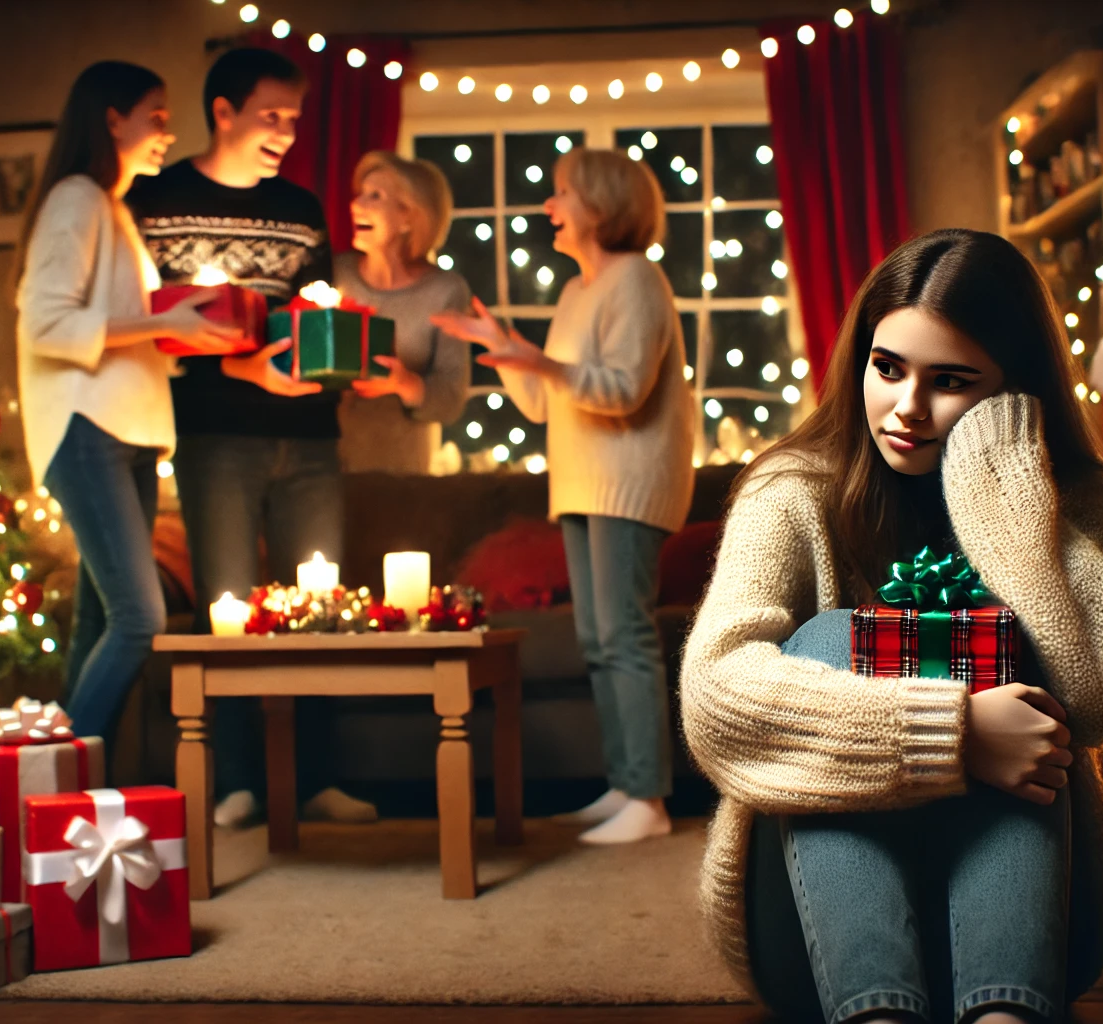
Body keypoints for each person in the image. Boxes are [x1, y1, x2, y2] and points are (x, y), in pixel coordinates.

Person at [679, 229, 1103, 1024]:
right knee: (831, 637)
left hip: (1031, 933)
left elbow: (1097, 699)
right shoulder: (793, 489)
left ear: (1015, 390)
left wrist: (1006, 499)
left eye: (950, 381)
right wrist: (955, 734)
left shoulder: (1073, 504)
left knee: (1010, 652)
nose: (907, 408)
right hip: (816, 939)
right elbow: (714, 697)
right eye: (888, 368)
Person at [126, 47, 374, 828]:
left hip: (308, 438)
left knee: (320, 609)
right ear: (223, 112)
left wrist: (332, 361)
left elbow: (315, 315)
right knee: (225, 612)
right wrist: (241, 376)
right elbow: (145, 332)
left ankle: (315, 779)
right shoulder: (151, 201)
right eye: (271, 116)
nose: (287, 133)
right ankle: (238, 780)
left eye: (295, 120)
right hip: (214, 438)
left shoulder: (301, 208)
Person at [433, 149, 696, 845]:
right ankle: (626, 785)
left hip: (629, 480)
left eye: (561, 194)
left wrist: (539, 360)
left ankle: (650, 799)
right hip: (582, 482)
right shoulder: (579, 290)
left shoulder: (637, 279)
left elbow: (624, 391)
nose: (549, 207)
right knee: (598, 640)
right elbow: (547, 403)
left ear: (601, 205)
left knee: (624, 636)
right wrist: (507, 348)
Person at [15, 62, 242, 744]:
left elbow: (127, 326)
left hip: (127, 430)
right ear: (113, 120)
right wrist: (167, 325)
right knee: (139, 618)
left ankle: (64, 796)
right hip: (89, 431)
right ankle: (55, 791)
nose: (168, 134)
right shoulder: (78, 199)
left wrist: (184, 324)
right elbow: (45, 325)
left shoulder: (112, 208)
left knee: (98, 622)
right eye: (158, 116)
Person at [334, 151, 473, 474]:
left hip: (402, 474)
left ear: (409, 217)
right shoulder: (335, 275)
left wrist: (403, 383)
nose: (356, 205)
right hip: (325, 466)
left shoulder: (445, 291)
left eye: (375, 196)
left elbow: (451, 400)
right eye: (360, 194)